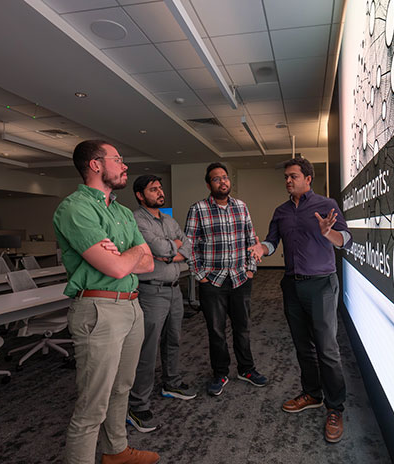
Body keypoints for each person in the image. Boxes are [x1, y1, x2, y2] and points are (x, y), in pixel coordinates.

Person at [53, 140, 159, 464]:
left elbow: (150, 262)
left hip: (131, 306)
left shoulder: (123, 211)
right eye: (118, 159)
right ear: (96, 165)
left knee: (121, 388)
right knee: (92, 405)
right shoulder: (75, 208)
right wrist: (131, 255)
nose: (124, 165)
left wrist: (125, 255)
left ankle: (116, 451)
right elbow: (115, 267)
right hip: (98, 310)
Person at [248, 157, 352, 443]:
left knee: (327, 349)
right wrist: (261, 248)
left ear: (308, 178)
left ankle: (335, 408)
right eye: (285, 177)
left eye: (293, 176)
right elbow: (272, 241)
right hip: (291, 285)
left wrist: (327, 232)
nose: (288, 181)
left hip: (321, 285)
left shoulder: (326, 205)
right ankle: (313, 394)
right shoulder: (281, 211)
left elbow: (347, 239)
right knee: (302, 346)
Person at [184, 162, 268, 396]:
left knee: (243, 328)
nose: (222, 181)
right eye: (216, 179)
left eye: (225, 177)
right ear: (209, 184)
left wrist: (251, 269)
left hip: (241, 278)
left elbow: (251, 239)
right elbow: (189, 244)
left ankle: (246, 369)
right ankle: (220, 373)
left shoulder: (241, 207)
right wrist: (199, 275)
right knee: (216, 330)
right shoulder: (198, 209)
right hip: (213, 281)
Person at [126, 175, 197, 433]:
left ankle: (171, 383)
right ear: (140, 195)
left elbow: (186, 246)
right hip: (151, 292)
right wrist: (171, 250)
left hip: (175, 290)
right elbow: (156, 247)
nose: (159, 192)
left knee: (173, 339)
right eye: (153, 189)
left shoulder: (168, 219)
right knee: (147, 349)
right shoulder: (136, 219)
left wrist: (169, 253)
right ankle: (137, 404)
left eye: (160, 188)